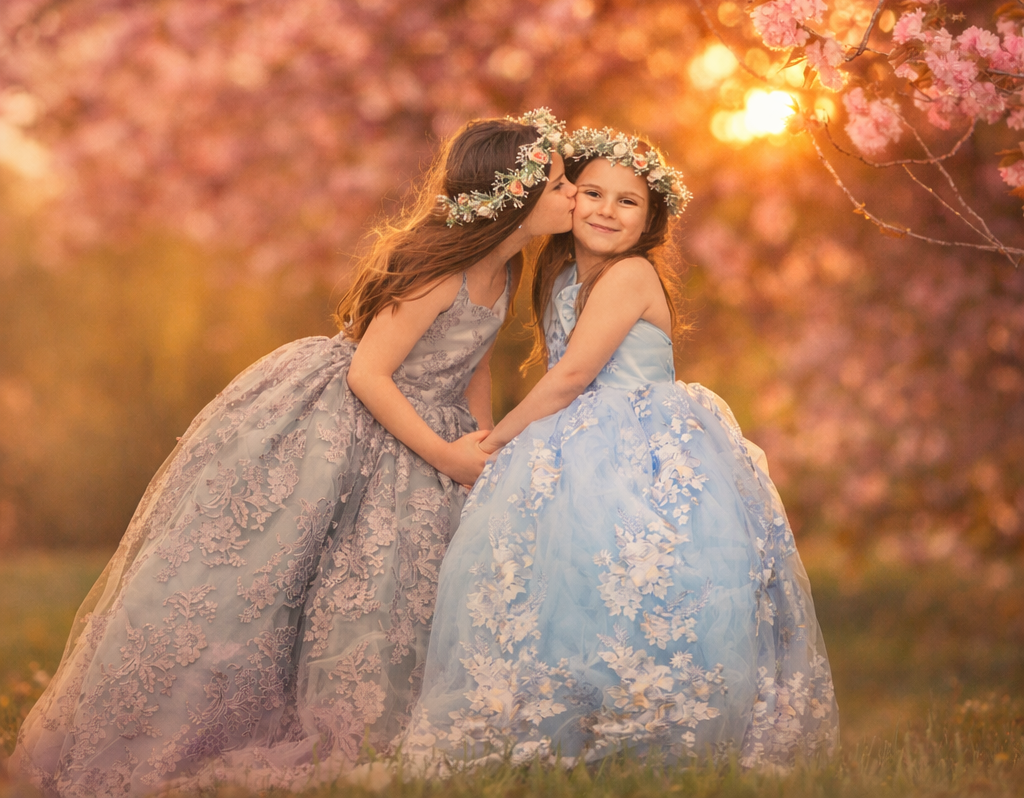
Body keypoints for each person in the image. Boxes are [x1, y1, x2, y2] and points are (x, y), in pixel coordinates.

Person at [10, 110, 578, 796]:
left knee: (398, 581)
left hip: (429, 423)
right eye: (557, 183)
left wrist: (478, 444)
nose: (573, 192)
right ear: (511, 198)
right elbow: (368, 375)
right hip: (353, 417)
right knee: (283, 571)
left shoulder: (507, 267)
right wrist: (443, 455)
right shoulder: (443, 271)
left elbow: (475, 363)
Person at [404, 127, 839, 770]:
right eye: (593, 193)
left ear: (651, 219)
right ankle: (573, 721)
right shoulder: (555, 277)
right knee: (572, 579)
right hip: (577, 441)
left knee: (646, 575)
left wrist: (494, 443)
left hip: (642, 447)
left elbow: (573, 376)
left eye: (628, 201)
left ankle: (653, 730)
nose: (607, 210)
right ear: (568, 200)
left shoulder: (632, 274)